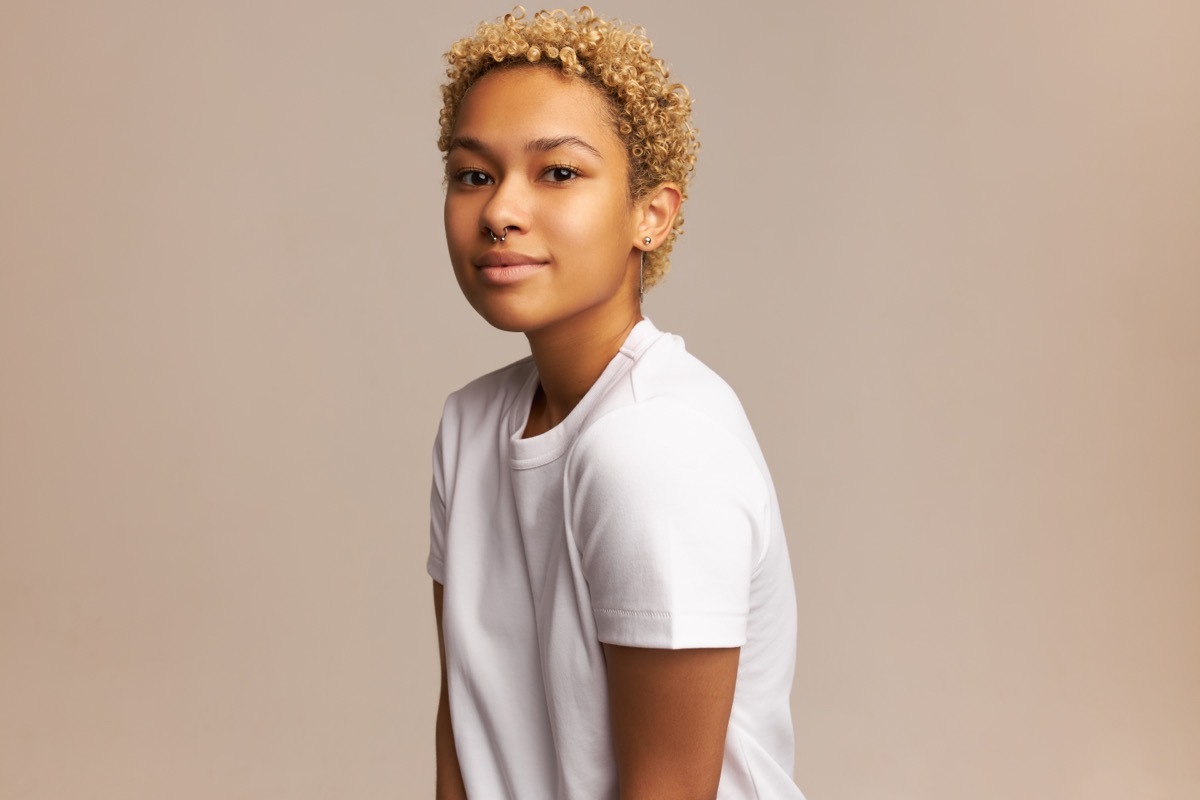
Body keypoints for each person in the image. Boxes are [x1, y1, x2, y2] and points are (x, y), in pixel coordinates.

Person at [427, 7, 804, 799]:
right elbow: (466, 733)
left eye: (557, 172)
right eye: (474, 173)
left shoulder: (655, 448)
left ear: (652, 214)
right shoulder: (470, 428)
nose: (500, 211)